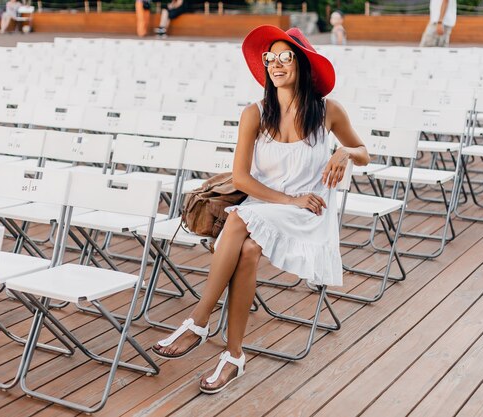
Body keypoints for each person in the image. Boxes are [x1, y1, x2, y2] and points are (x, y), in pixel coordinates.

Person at [150, 26, 369, 394]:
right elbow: (241, 177)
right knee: (247, 250)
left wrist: (344, 152)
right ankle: (233, 357)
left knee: (238, 221)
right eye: (270, 58)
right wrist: (286, 200)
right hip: (268, 203)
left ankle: (199, 321)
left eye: (285, 57)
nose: (276, 64)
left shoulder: (328, 111)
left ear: (302, 63)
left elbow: (364, 152)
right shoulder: (254, 113)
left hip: (309, 212)